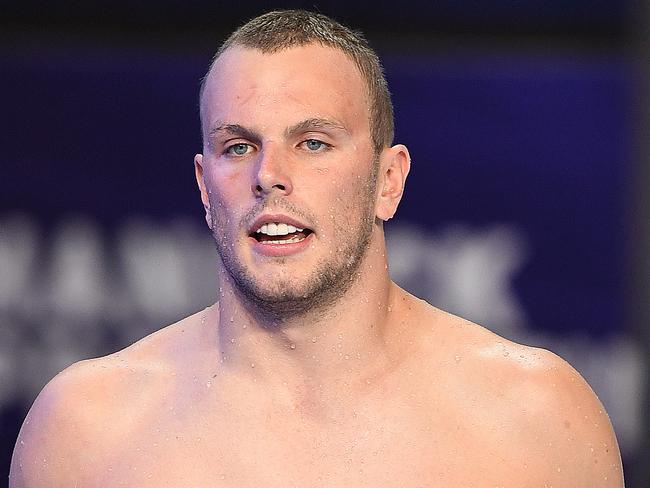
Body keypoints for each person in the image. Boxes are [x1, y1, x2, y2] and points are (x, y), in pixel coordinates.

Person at [10, 9, 623, 487]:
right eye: (239, 146)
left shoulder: (536, 420)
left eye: (313, 142)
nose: (269, 174)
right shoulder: (85, 432)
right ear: (204, 186)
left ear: (389, 181)